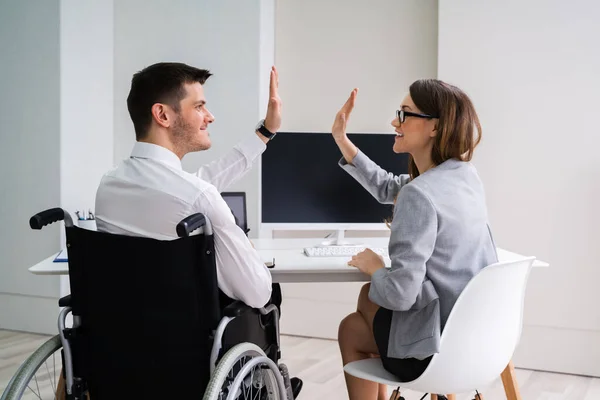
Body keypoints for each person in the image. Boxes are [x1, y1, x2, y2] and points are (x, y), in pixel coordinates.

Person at [94, 62, 301, 396]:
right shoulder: (198, 198)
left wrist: (264, 133)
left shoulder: (109, 187)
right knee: (268, 294)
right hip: (190, 359)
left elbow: (195, 185)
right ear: (163, 115)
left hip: (123, 351)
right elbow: (257, 292)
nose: (210, 116)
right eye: (200, 106)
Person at [332, 80, 498, 400]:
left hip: (434, 351)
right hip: (473, 340)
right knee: (369, 296)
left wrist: (376, 266)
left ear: (435, 127)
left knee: (351, 327)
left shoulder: (419, 195)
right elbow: (387, 187)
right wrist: (342, 139)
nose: (395, 122)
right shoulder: (464, 176)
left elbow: (401, 296)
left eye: (405, 114)